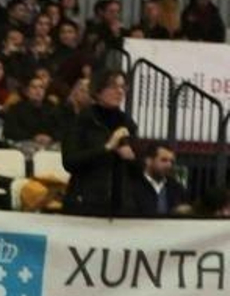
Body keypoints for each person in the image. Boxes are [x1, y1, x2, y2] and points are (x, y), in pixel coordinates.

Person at [62, 69, 141, 218]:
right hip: (86, 202)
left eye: (122, 87)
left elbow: (139, 170)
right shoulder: (81, 121)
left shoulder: (128, 124)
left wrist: (132, 159)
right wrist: (107, 148)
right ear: (97, 91)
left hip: (122, 205)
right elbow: (70, 162)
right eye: (113, 87)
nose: (119, 92)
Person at [135, 142, 189, 216]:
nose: (169, 165)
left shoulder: (177, 188)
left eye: (171, 162)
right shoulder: (133, 186)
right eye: (164, 160)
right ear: (148, 161)